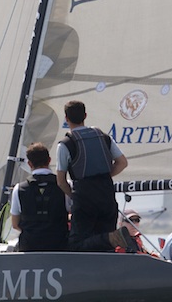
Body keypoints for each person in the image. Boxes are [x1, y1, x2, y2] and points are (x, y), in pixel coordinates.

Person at [56, 100, 132, 252]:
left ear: (66, 118)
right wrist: (104, 176)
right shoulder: (103, 137)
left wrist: (73, 196)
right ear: (85, 115)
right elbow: (122, 162)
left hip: (84, 195)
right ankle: (112, 239)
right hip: (106, 192)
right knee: (106, 248)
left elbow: (61, 181)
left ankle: (112, 238)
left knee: (76, 245)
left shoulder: (65, 144)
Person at [10, 142, 70, 251]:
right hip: (59, 245)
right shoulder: (65, 186)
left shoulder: (19, 189)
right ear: (49, 160)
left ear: (29, 164)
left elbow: (15, 224)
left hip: (29, 247)